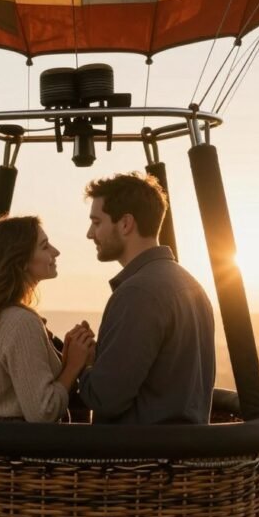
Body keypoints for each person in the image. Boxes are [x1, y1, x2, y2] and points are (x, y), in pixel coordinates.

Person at [75, 173, 216, 425]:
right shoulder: (189, 284)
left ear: (126, 224)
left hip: (137, 459)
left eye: (96, 222)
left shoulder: (138, 293)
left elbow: (106, 398)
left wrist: (82, 365)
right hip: (180, 455)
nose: (89, 233)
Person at [0, 216, 95, 422]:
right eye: (45, 247)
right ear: (21, 260)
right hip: (13, 450)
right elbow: (42, 413)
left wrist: (66, 358)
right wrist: (73, 366)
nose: (56, 252)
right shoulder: (21, 322)